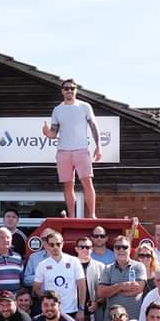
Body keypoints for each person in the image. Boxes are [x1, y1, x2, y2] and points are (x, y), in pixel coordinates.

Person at [41, 78, 102, 218]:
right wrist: (46, 132)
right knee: (68, 185)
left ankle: (92, 215)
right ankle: (72, 216)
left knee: (87, 182)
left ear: (76, 90)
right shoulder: (57, 109)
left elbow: (93, 126)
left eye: (72, 88)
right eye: (67, 88)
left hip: (81, 149)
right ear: (62, 91)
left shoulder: (84, 106)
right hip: (63, 151)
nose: (69, 90)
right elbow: (53, 133)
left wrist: (98, 146)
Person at [32, 232, 87, 321]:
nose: (55, 247)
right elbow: (36, 288)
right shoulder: (42, 265)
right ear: (47, 245)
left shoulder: (74, 261)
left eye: (58, 244)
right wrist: (47, 299)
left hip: (71, 310)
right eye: (52, 244)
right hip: (51, 312)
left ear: (62, 243)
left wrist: (81, 309)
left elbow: (82, 287)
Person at [97, 235, 147, 321]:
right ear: (114, 250)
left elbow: (138, 289)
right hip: (111, 320)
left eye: (124, 247)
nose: (121, 250)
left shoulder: (139, 266)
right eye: (117, 247)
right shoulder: (107, 268)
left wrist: (112, 290)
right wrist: (121, 286)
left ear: (130, 249)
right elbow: (101, 293)